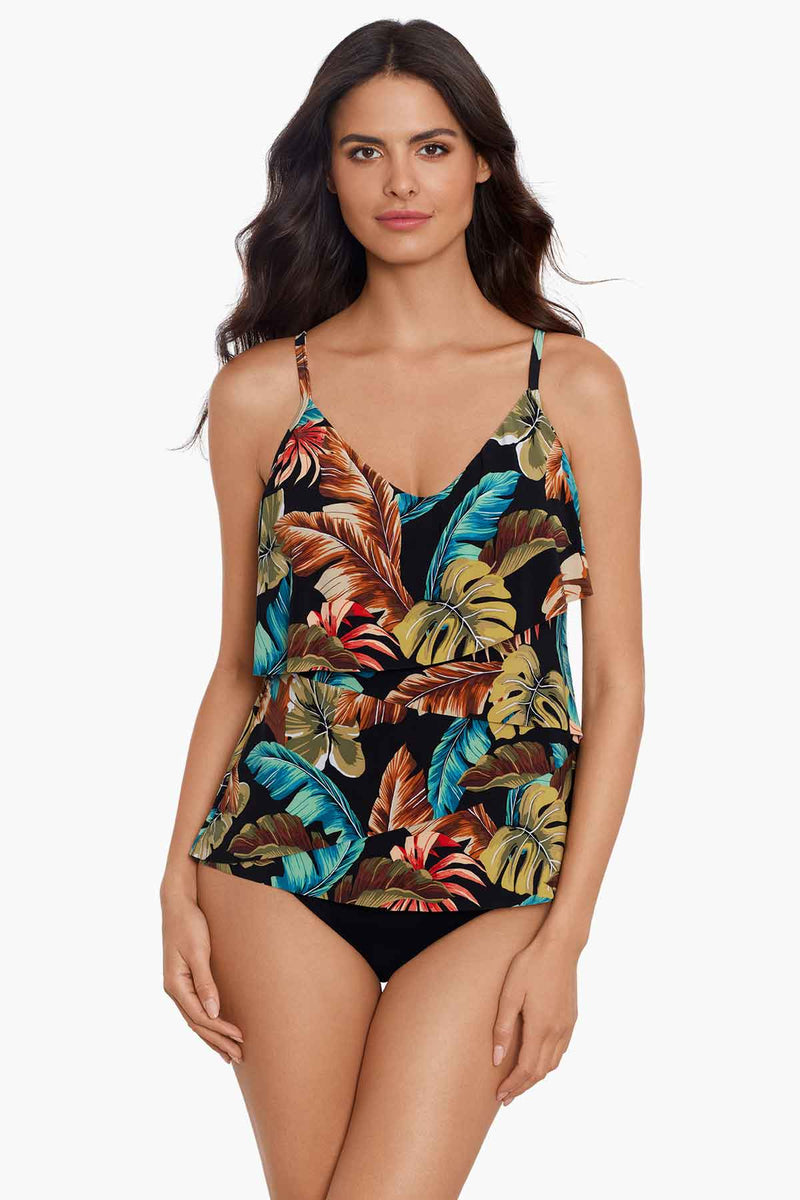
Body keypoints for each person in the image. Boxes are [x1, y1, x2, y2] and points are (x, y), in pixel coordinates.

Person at [160, 18, 644, 1199]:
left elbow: (618, 684)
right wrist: (174, 882)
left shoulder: (571, 388)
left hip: (499, 870)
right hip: (277, 859)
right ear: (325, 173)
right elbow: (240, 669)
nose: (398, 182)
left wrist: (567, 936)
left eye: (429, 147)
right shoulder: (262, 392)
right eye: (362, 151)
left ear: (479, 163)